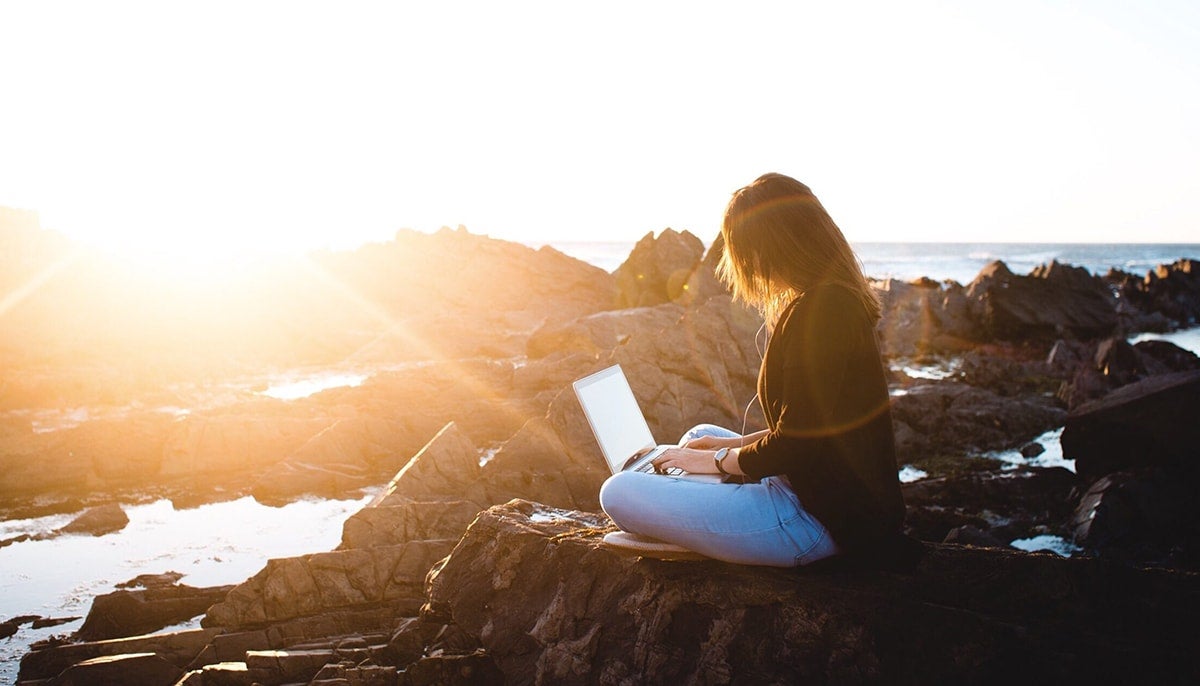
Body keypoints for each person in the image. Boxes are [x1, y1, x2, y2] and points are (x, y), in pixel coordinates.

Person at [599, 173, 905, 567]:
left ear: (770, 246)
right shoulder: (830, 298)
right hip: (822, 493)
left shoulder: (822, 311)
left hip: (820, 521)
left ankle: (705, 538)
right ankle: (710, 520)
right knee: (700, 435)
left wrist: (715, 462)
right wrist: (723, 449)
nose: (744, 266)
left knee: (618, 492)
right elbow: (814, 426)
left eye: (742, 250)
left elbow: (799, 442)